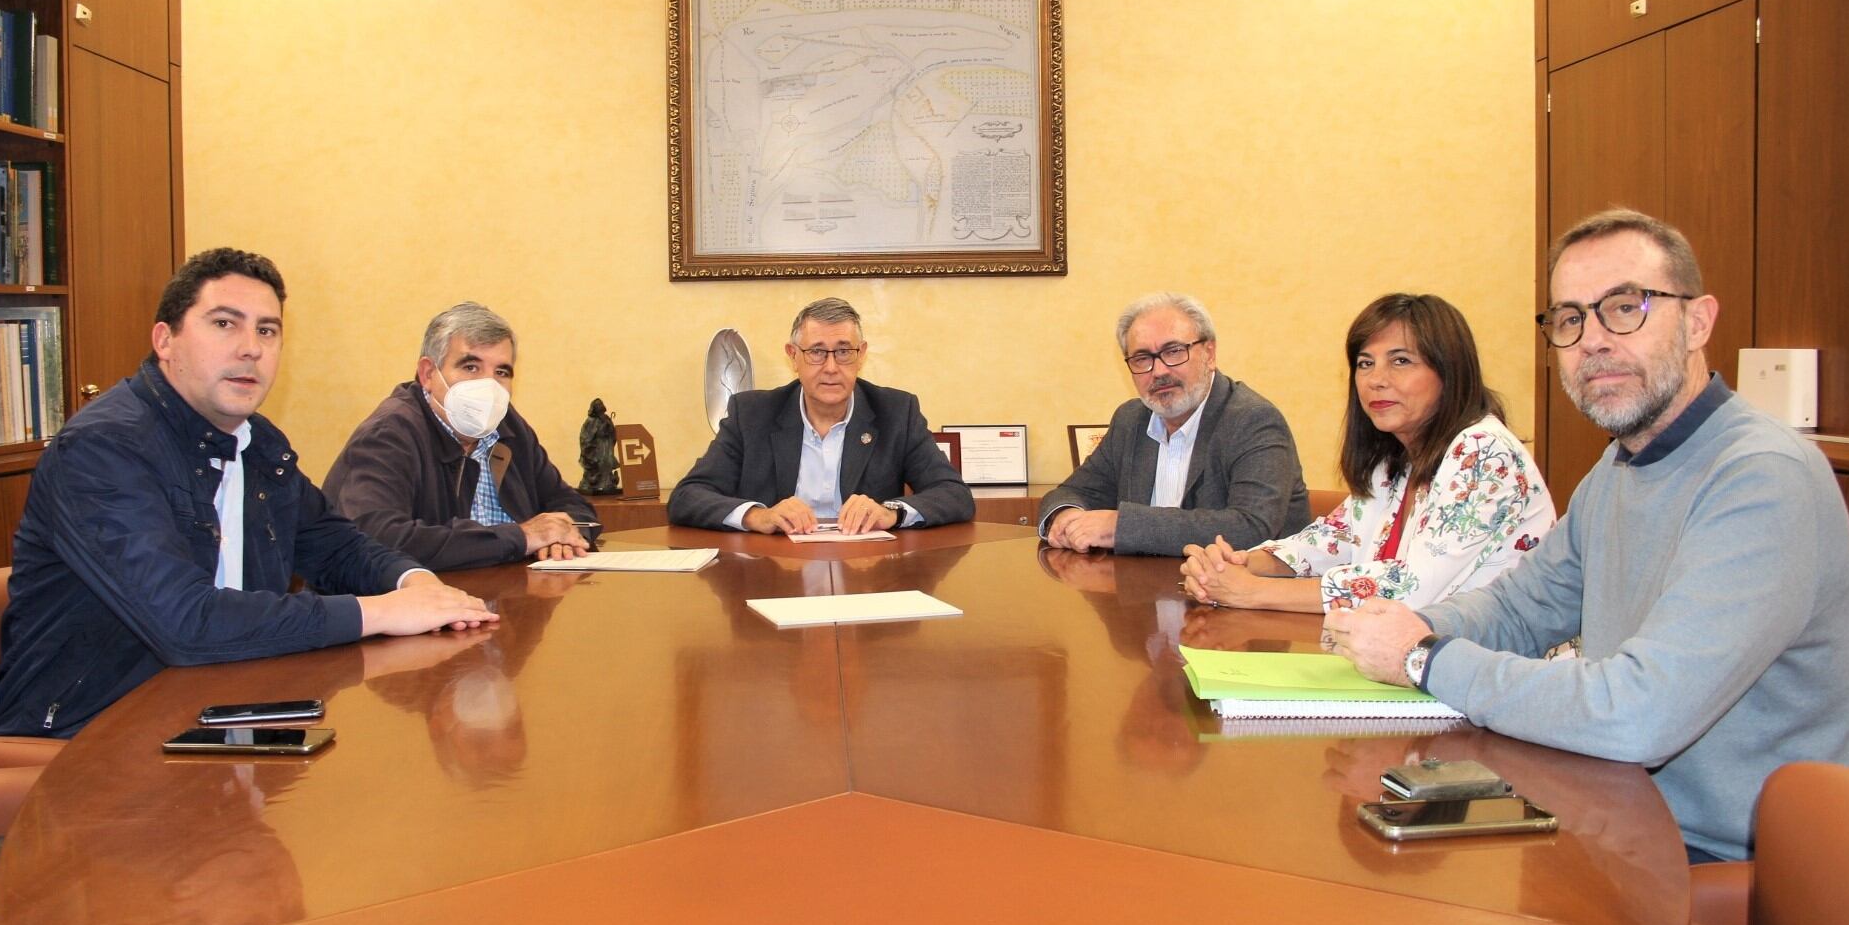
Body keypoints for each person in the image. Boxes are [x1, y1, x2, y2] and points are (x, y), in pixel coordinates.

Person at [1324, 209, 1849, 862]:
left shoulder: (1761, 478)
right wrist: (1403, 625)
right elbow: (1522, 607)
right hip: (1607, 808)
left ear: (1697, 321)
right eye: (1570, 318)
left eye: (1624, 307)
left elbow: (1638, 713)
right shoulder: (1621, 465)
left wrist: (1421, 657)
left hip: (1718, 862)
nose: (1592, 340)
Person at [0, 250, 498, 738]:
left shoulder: (256, 443)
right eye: (224, 323)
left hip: (227, 712)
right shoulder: (101, 450)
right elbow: (186, 623)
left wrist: (419, 585)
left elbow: (335, 545)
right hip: (88, 738)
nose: (251, 347)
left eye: (267, 330)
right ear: (165, 340)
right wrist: (382, 612)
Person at [1181, 293, 1554, 612]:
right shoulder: (1394, 459)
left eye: (1401, 360)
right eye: (1365, 363)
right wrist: (1239, 563)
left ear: (1449, 372)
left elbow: (1410, 589)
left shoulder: (1483, 452)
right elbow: (1334, 540)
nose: (1376, 379)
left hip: (1496, 674)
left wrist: (1254, 592)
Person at [323, 302, 598, 569]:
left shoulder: (508, 426)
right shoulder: (389, 434)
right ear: (428, 374)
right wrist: (521, 537)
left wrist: (565, 536)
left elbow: (570, 504)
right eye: (471, 367)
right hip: (416, 605)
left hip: (504, 599)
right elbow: (374, 538)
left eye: (501, 372)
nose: (488, 385)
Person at [668, 298, 973, 534]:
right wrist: (758, 516)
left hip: (868, 573)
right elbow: (687, 497)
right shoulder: (751, 414)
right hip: (776, 571)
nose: (830, 367)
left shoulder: (896, 411)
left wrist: (891, 512)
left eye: (843, 352)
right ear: (793, 356)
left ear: (861, 354)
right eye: (816, 351)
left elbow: (954, 495)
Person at [1039, 292, 1311, 556]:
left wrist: (1118, 527)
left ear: (1210, 353)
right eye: (1142, 358)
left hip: (1242, 596)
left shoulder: (1253, 421)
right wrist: (1067, 516)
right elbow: (1072, 492)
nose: (1159, 371)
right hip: (1146, 594)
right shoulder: (1130, 420)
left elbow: (1250, 527)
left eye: (1174, 351)